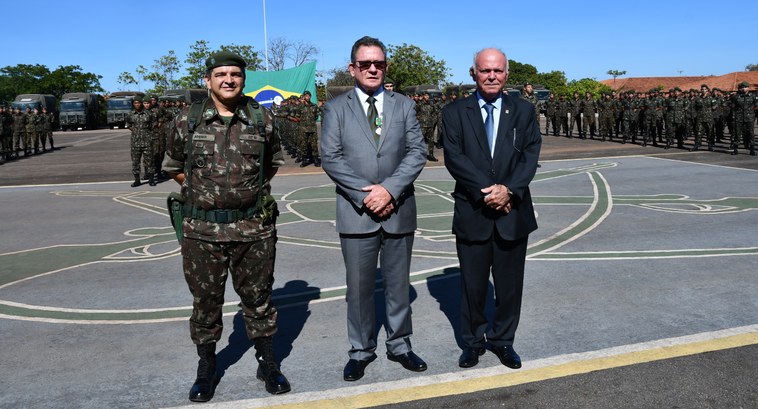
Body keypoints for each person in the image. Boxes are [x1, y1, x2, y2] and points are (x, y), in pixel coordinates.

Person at [162, 51, 291, 401]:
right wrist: (202, 192)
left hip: (253, 229)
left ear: (243, 79)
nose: (228, 80)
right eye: (220, 74)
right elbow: (173, 164)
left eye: (235, 74)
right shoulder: (187, 120)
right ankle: (206, 366)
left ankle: (268, 362)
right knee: (205, 302)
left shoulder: (261, 118)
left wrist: (244, 193)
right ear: (208, 80)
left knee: (259, 299)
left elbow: (272, 162)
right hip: (202, 231)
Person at [320, 35, 428, 382]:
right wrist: (366, 195)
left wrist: (390, 190)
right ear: (352, 68)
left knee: (398, 284)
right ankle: (361, 350)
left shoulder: (404, 105)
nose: (372, 69)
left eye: (378, 63)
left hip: (398, 208)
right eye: (364, 64)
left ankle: (399, 345)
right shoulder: (336, 108)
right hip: (357, 212)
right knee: (359, 288)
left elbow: (416, 152)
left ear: (386, 67)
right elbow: (331, 158)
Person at [441, 48, 541, 370]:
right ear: (474, 73)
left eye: (497, 70)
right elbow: (455, 158)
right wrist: (488, 192)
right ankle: (472, 343)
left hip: (513, 211)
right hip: (474, 210)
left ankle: (503, 341)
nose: (492, 76)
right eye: (485, 70)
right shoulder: (455, 112)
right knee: (472, 285)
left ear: (507, 74)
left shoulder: (523, 111)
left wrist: (509, 190)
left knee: (510, 286)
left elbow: (530, 154)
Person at [125, 96, 155, 187]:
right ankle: (137, 180)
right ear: (133, 104)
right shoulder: (130, 114)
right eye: (135, 103)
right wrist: (136, 131)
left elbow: (153, 125)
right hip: (135, 142)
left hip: (147, 141)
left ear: (141, 103)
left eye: (138, 103)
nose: (137, 104)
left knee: (150, 161)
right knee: (135, 162)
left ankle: (151, 179)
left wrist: (146, 132)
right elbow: (128, 125)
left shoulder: (148, 114)